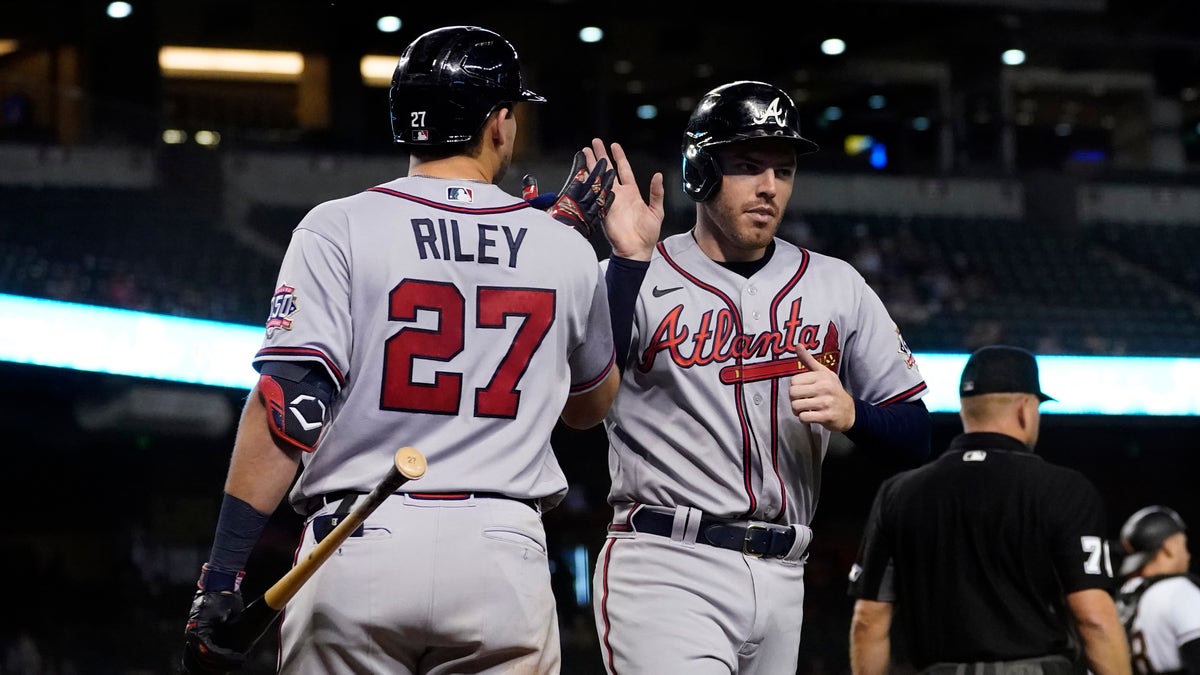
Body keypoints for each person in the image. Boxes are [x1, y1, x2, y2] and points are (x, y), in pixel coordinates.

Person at [181, 25, 620, 674]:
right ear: (499, 123)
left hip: (358, 540)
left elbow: (288, 405)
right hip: (500, 554)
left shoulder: (339, 225)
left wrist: (220, 578)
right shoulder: (563, 245)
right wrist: (571, 247)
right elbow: (589, 409)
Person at [584, 80, 932, 674]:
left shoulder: (835, 283)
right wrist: (626, 266)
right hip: (669, 562)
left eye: (784, 170)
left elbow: (917, 436)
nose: (769, 187)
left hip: (785, 572)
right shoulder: (636, 275)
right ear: (701, 171)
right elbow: (582, 402)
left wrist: (854, 414)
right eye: (748, 166)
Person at [847, 344, 1131, 675]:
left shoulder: (898, 492)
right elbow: (1093, 619)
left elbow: (868, 621)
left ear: (966, 410)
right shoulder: (1064, 489)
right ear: (1025, 409)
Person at [1113, 505, 1200, 674]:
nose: (1188, 555)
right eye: (1183, 545)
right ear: (1169, 548)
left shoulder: (1120, 598)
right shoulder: (1176, 591)